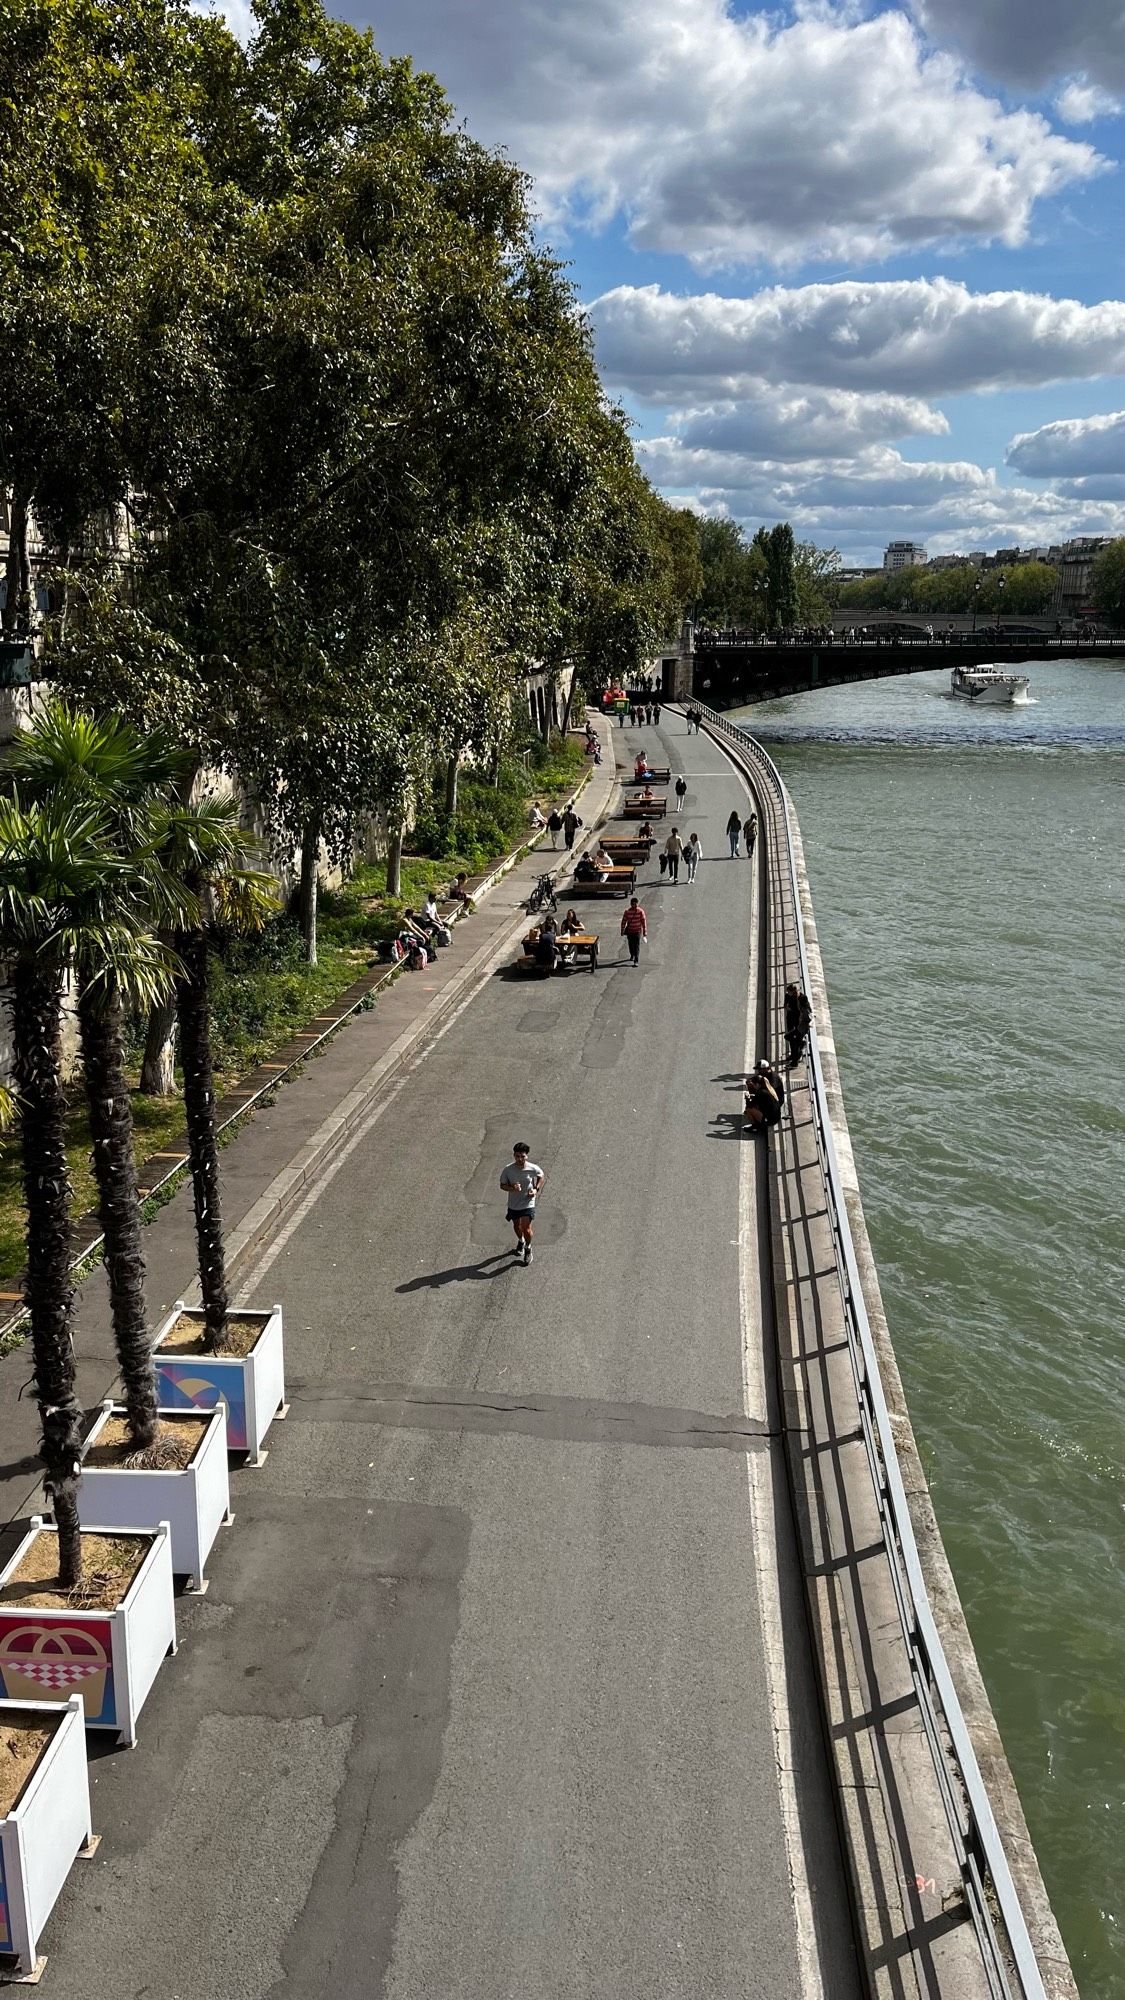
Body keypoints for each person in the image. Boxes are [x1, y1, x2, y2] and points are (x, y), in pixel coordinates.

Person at [500, 1141, 544, 1265]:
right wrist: (512, 1188)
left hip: (527, 1202)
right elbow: (502, 1185)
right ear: (514, 1155)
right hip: (514, 1204)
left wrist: (536, 1189)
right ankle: (521, 1241)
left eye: (522, 1156)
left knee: (526, 1227)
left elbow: (542, 1177)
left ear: (526, 1156)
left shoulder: (533, 1168)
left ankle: (528, 1248)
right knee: (516, 1226)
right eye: (517, 1156)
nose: (520, 1159)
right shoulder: (508, 1170)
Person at [784, 983, 813, 1068]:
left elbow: (808, 1015)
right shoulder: (793, 997)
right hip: (798, 1024)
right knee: (791, 1039)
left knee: (793, 1041)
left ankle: (794, 1061)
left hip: (801, 1027)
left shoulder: (803, 1001)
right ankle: (797, 1053)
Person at [620, 896, 647, 965]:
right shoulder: (627, 912)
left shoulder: (640, 912)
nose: (634, 906)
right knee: (630, 945)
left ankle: (636, 960)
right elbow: (623, 922)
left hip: (637, 931)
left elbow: (643, 922)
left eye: (635, 904)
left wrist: (644, 932)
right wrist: (622, 930)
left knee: (636, 945)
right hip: (630, 931)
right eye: (633, 904)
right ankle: (632, 954)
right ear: (630, 904)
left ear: (637, 904)